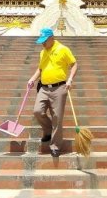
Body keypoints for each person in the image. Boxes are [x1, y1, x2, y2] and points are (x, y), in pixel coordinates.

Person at [27, 27, 78, 157]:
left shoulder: (63, 49)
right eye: (41, 41)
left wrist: (70, 79)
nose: (43, 43)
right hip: (44, 87)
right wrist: (32, 79)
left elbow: (74, 64)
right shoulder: (43, 52)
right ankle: (48, 130)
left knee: (57, 118)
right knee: (38, 111)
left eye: (44, 40)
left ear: (51, 38)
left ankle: (55, 146)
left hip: (59, 88)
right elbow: (41, 68)